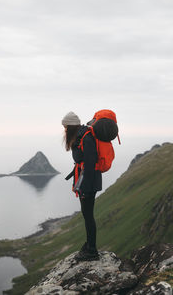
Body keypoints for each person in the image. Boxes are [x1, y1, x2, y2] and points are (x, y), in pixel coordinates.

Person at [62, 111, 102, 261]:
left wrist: (84, 186)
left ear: (71, 126)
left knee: (88, 216)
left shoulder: (85, 137)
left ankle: (92, 251)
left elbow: (90, 163)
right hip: (86, 180)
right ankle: (89, 245)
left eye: (66, 127)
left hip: (88, 182)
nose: (65, 130)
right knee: (87, 215)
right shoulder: (80, 136)